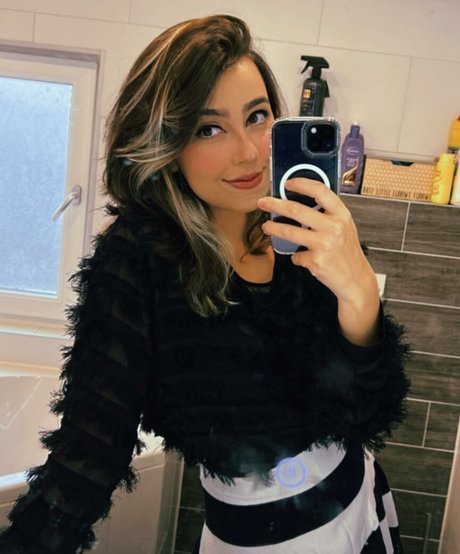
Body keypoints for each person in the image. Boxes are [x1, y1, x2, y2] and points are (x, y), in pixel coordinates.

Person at [0, 14, 410, 554]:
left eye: (257, 117)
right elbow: (88, 453)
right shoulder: (139, 260)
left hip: (358, 503)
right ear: (166, 143)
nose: (249, 152)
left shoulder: (302, 228)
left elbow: (366, 412)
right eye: (209, 128)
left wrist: (359, 293)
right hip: (255, 540)